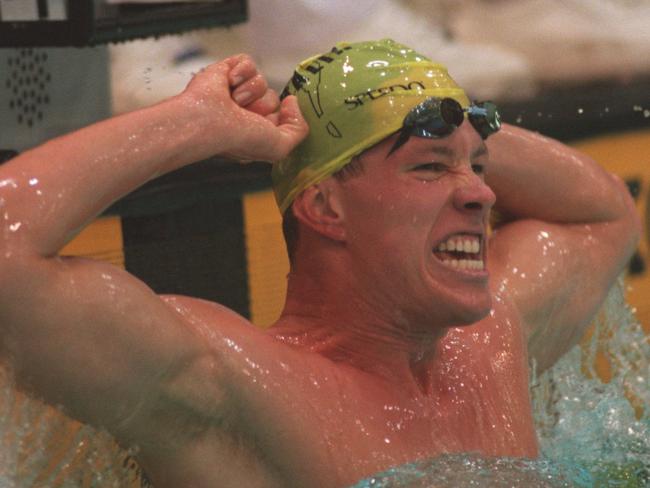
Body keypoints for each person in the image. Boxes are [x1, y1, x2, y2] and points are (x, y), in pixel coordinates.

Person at [0, 39, 639, 488]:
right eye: (429, 167)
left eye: (478, 165)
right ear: (325, 207)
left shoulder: (491, 344)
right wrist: (194, 124)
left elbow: (603, 213)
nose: (481, 193)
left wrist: (460, 129)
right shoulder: (237, 386)